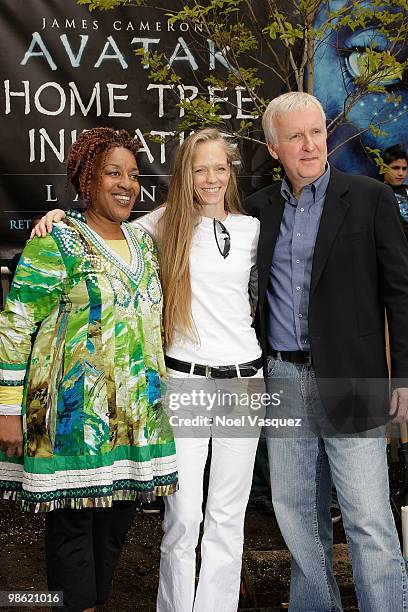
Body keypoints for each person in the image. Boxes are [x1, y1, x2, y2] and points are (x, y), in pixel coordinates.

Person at [32, 127, 264, 612]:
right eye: (199, 168)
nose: (211, 178)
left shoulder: (251, 227)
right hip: (186, 379)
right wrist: (59, 217)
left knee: (229, 513)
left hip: (245, 380)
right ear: (184, 173)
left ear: (231, 172)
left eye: (219, 167)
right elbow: (99, 232)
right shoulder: (158, 225)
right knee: (183, 517)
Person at [0, 127, 177, 612]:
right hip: (71, 421)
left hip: (133, 420)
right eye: (112, 173)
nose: (126, 184)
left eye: (134, 175)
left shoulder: (145, 246)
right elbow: (15, 327)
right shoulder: (56, 240)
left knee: (116, 526)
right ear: (86, 180)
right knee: (73, 529)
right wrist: (7, 410)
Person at [245, 91, 408, 611]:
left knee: (367, 517)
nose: (310, 144)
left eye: (316, 132)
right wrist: (68, 221)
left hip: (355, 377)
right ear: (274, 148)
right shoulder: (257, 210)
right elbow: (180, 218)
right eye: (295, 136)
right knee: (296, 515)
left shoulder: (368, 199)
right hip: (282, 377)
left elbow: (401, 295)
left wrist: (403, 378)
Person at [381, 144, 408, 238]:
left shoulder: (407, 190)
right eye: (395, 168)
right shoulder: (377, 191)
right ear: (384, 168)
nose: (401, 173)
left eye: (404, 168)